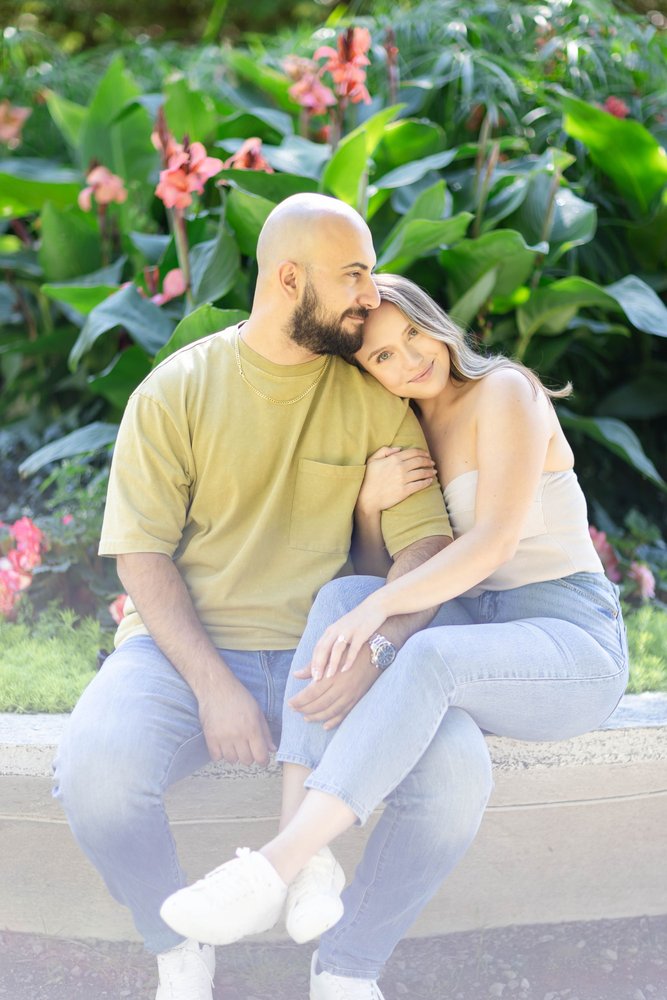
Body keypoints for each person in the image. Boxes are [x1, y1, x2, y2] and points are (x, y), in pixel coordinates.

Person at [160, 273, 630, 999]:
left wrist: (378, 614)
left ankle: (277, 863)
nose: (409, 360)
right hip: (474, 629)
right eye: (382, 355)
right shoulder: (404, 422)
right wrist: (371, 512)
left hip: (568, 640)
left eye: (413, 334)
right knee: (343, 595)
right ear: (366, 370)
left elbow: (494, 543)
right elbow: (386, 577)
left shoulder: (504, 391)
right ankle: (311, 865)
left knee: (413, 639)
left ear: (436, 322)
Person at [52, 199, 455, 1000]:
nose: (370, 295)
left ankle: (347, 965)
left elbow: (426, 549)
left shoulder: (376, 396)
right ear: (289, 278)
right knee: (95, 779)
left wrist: (377, 646)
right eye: (353, 274)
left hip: (333, 653)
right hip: (185, 652)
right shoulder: (176, 390)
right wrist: (213, 686)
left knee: (454, 785)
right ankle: (177, 946)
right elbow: (141, 556)